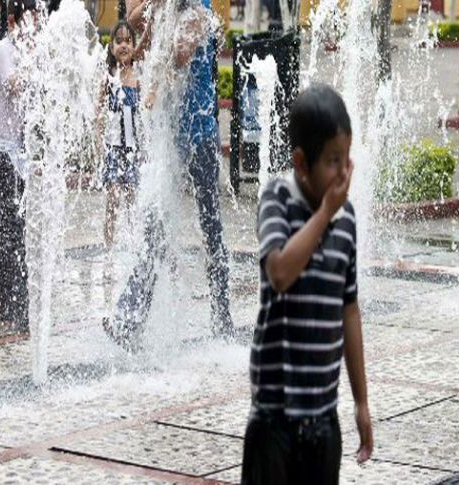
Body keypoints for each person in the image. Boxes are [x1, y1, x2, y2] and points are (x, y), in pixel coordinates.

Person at [240, 84, 373, 484]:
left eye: (346, 159)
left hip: (323, 416)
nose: (343, 173)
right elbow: (279, 273)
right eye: (333, 161)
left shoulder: (346, 219)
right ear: (301, 162)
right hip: (275, 418)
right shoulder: (277, 198)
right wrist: (324, 215)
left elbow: (349, 309)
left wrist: (361, 402)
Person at [103, 0, 234, 350]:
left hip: (201, 138)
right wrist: (152, 20)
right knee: (154, 226)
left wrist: (164, 20)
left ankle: (222, 316)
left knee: (211, 229)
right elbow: (139, 53)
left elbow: (179, 54)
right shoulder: (171, 11)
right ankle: (129, 319)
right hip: (174, 139)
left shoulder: (198, 13)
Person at [0, 0, 36, 326]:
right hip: (2, 149)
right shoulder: (4, 49)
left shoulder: (28, 52)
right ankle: (12, 303)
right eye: (28, 23)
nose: (33, 30)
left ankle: (15, 302)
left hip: (19, 152)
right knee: (8, 228)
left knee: (14, 226)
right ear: (13, 22)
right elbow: (15, 85)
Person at [97, 20, 142, 252]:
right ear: (112, 47)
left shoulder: (138, 77)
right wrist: (98, 143)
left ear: (134, 46)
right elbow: (99, 113)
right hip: (113, 147)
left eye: (128, 40)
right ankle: (108, 245)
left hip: (133, 149)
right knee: (113, 195)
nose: (124, 45)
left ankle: (134, 244)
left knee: (132, 197)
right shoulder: (109, 78)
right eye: (119, 41)